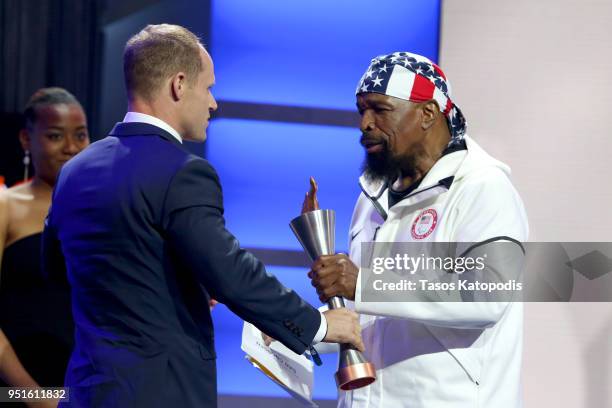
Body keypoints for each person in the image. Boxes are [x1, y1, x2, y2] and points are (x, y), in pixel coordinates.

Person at [42, 24, 363, 407]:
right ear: (179, 84)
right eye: (208, 88)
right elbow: (231, 274)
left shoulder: (75, 170)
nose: (213, 103)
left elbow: (60, 271)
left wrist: (173, 286)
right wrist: (321, 325)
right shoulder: (183, 172)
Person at [309, 52, 528, 407]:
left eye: (379, 109)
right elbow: (368, 315)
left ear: (427, 114)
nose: (365, 123)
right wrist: (292, 328)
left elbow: (487, 294)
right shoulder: (372, 196)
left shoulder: (483, 187)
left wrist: (364, 283)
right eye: (361, 110)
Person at [0, 87, 90, 396]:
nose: (71, 148)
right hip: (19, 389)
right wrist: (35, 396)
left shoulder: (105, 212)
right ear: (27, 139)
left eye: (80, 135)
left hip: (89, 387)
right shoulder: (6, 207)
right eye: (55, 136)